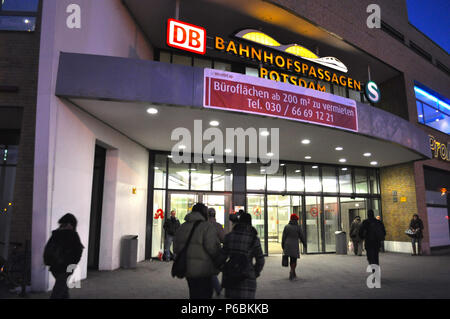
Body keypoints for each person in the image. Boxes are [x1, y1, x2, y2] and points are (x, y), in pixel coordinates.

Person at [173, 203, 222, 299]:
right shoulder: (207, 227)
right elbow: (212, 249)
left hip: (188, 269)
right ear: (204, 213)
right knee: (205, 294)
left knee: (194, 294)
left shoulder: (182, 227)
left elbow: (176, 248)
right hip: (204, 270)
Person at [222, 212, 265, 299]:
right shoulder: (254, 238)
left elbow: (221, 257)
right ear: (250, 222)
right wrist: (255, 272)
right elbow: (260, 260)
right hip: (248, 277)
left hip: (231, 277)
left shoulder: (229, 237)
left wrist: (224, 268)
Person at [43, 213, 84, 299]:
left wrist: (48, 261)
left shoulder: (56, 234)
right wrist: (72, 264)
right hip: (65, 268)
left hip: (55, 267)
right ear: (71, 224)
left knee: (62, 289)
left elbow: (48, 250)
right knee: (58, 292)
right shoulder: (72, 235)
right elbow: (78, 252)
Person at [281, 214, 305, 280]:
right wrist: (304, 243)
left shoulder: (286, 227)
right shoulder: (298, 227)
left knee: (290, 258)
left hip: (287, 244)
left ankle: (293, 272)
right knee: (294, 259)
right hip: (294, 245)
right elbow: (301, 236)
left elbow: (283, 237)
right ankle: (292, 271)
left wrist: (283, 245)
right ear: (296, 220)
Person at [207, 207, 225, 296]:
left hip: (203, 252)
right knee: (212, 272)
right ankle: (217, 289)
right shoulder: (217, 225)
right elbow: (223, 239)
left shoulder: (202, 225)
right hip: (214, 252)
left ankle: (216, 289)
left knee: (209, 272)